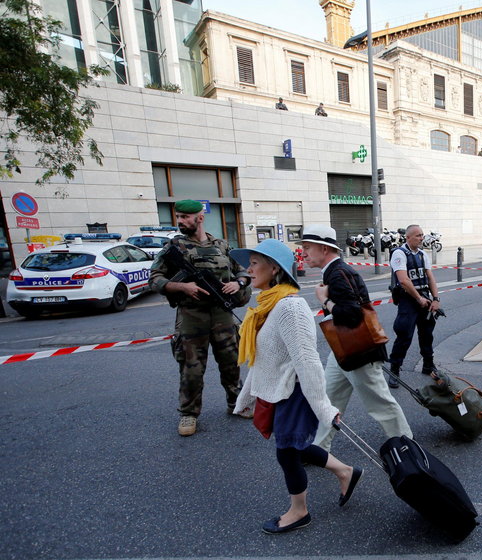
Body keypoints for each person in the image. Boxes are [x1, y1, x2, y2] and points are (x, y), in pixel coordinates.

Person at [230, 240, 362, 534]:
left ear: (274, 268)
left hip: (296, 392)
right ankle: (345, 471)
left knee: (287, 452)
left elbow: (308, 360)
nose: (247, 269)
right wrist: (246, 397)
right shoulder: (268, 306)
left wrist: (325, 408)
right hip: (280, 390)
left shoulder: (290, 307)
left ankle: (299, 511)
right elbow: (263, 360)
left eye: (254, 263)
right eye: (248, 263)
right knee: (297, 448)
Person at [299, 225, 412, 452]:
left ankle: (408, 447)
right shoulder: (335, 272)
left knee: (380, 404)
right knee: (328, 400)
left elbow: (352, 316)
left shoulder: (339, 273)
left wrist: (324, 301)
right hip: (344, 349)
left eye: (308, 247)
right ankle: (318, 450)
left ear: (323, 248)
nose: (304, 253)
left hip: (359, 351)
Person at [149, 199, 252, 437]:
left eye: (186, 217)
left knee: (231, 362)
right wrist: (181, 287)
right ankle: (189, 413)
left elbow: (243, 270)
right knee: (191, 368)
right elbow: (154, 279)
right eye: (179, 217)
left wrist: (238, 283)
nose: (181, 221)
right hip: (191, 316)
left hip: (222, 314)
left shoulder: (222, 245)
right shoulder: (173, 248)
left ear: (200, 217)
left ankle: (236, 403)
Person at [387, 224, 441, 388]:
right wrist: (418, 298)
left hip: (424, 297)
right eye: (418, 235)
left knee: (427, 334)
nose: (421, 238)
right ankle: (394, 370)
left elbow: (430, 277)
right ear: (408, 237)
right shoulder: (399, 254)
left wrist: (436, 299)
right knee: (404, 335)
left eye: (422, 235)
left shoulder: (423, 254)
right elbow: (403, 280)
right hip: (409, 299)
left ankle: (428, 365)